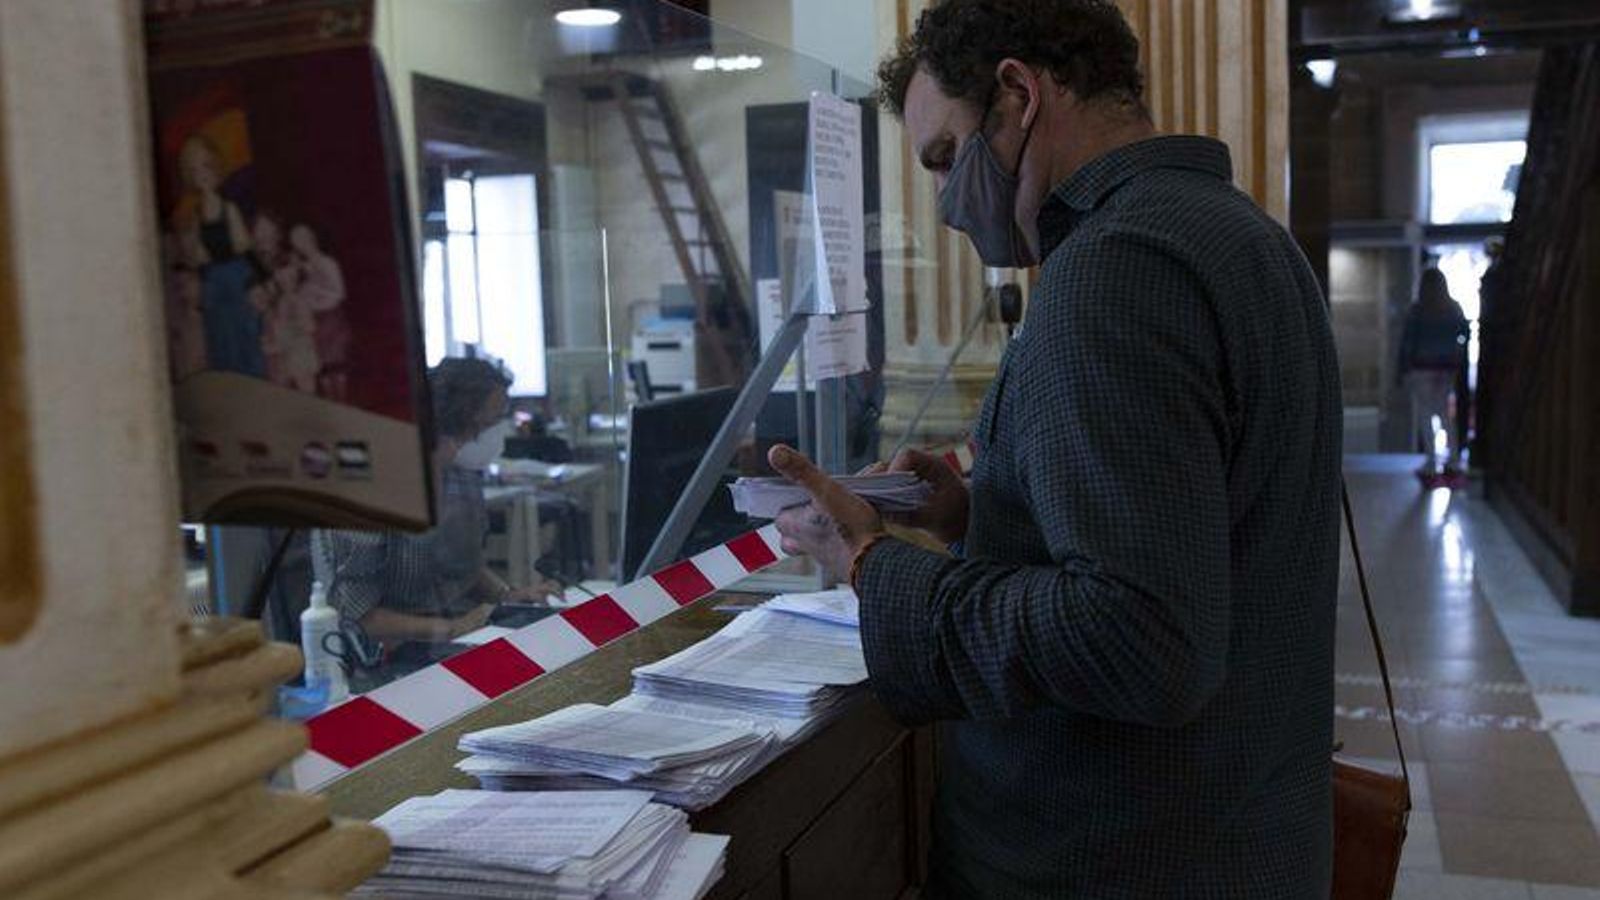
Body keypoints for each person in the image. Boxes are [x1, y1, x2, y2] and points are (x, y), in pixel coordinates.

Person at [766, 2, 1342, 897]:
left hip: (1120, 853)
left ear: (1017, 94)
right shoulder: (1246, 237)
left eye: (947, 157)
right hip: (1246, 826)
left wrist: (872, 565)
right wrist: (982, 511)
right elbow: (1210, 523)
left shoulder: (1117, 271)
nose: (948, 207)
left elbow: (1141, 641)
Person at [314, 358, 556, 646]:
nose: (496, 435)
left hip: (451, 638)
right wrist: (449, 628)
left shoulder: (461, 476)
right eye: (489, 424)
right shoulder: (365, 492)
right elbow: (356, 616)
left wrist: (509, 597)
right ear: (451, 424)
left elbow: (464, 568)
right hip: (383, 658)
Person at [174, 135, 265, 378]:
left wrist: (259, 280)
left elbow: (244, 246)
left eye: (205, 166)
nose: (201, 174)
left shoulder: (229, 208)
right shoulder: (196, 215)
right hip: (213, 283)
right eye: (195, 170)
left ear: (215, 166)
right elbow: (197, 256)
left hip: (236, 276)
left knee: (244, 334)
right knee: (219, 338)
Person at [1397, 267, 1469, 478]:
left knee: (1425, 415)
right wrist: (1454, 354)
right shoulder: (1453, 308)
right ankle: (1453, 460)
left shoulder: (1418, 310)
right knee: (1445, 414)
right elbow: (1464, 334)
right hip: (1445, 369)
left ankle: (1431, 462)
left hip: (1421, 368)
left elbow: (1408, 343)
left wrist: (1402, 370)